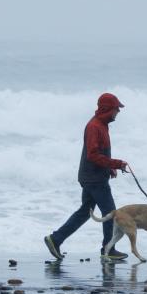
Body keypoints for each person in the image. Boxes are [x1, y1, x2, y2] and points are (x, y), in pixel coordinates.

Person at [44, 92, 129, 260]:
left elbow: (100, 153)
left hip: (93, 176)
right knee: (110, 213)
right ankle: (108, 249)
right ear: (107, 109)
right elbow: (92, 155)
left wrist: (109, 168)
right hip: (93, 178)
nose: (118, 112)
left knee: (85, 212)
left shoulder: (102, 125)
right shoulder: (94, 126)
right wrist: (115, 164)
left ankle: (55, 239)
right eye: (116, 108)